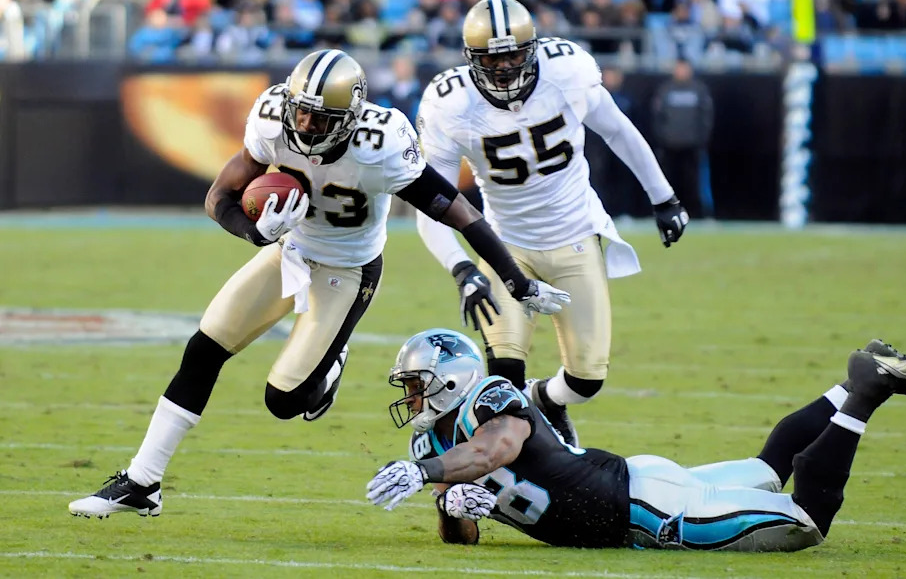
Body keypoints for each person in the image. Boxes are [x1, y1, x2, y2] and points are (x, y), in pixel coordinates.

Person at [68, 49, 571, 519]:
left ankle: (332, 360)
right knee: (203, 350)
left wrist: (514, 278)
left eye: (321, 118)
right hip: (289, 252)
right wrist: (253, 232)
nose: (307, 125)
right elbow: (219, 196)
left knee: (284, 402)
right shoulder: (271, 119)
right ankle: (142, 483)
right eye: (301, 112)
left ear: (350, 118)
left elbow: (456, 211)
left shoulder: (382, 144)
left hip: (347, 271)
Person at [367, 329, 906, 550]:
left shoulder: (489, 399)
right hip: (634, 489)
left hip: (643, 509)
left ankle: (866, 392)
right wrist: (454, 508)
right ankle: (853, 379)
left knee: (808, 523)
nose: (411, 398)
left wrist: (429, 477)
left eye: (416, 385)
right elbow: (462, 538)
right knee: (768, 467)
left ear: (450, 380)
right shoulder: (432, 449)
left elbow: (497, 450)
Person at [414, 0, 689, 447]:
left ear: (535, 48)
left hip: (575, 236)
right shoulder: (451, 104)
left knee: (586, 378)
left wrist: (664, 198)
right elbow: (433, 203)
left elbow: (618, 129)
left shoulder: (566, 73)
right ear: (471, 60)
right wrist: (462, 269)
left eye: (514, 54)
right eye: (492, 57)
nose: (504, 68)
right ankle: (514, 471)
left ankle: (545, 399)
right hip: (504, 246)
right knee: (503, 374)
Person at [651, 59, 714, 219]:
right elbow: (657, 117)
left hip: (692, 146)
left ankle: (697, 214)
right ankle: (669, 213)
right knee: (669, 182)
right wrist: (663, 138)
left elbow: (706, 117)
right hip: (669, 145)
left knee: (693, 182)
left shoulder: (699, 89)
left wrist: (701, 139)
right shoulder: (665, 90)